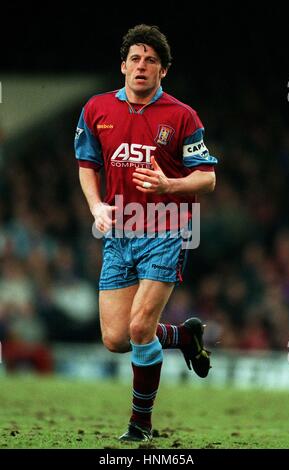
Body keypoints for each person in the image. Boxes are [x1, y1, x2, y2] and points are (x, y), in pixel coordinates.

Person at [74, 24, 218, 442]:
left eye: (151, 60)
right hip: (119, 233)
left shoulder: (182, 115)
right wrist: (96, 206)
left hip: (167, 229)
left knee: (140, 329)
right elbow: (87, 165)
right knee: (116, 339)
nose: (142, 66)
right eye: (135, 58)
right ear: (123, 66)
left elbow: (206, 179)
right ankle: (185, 335)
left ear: (163, 71)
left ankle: (140, 425)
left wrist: (169, 185)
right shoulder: (97, 109)